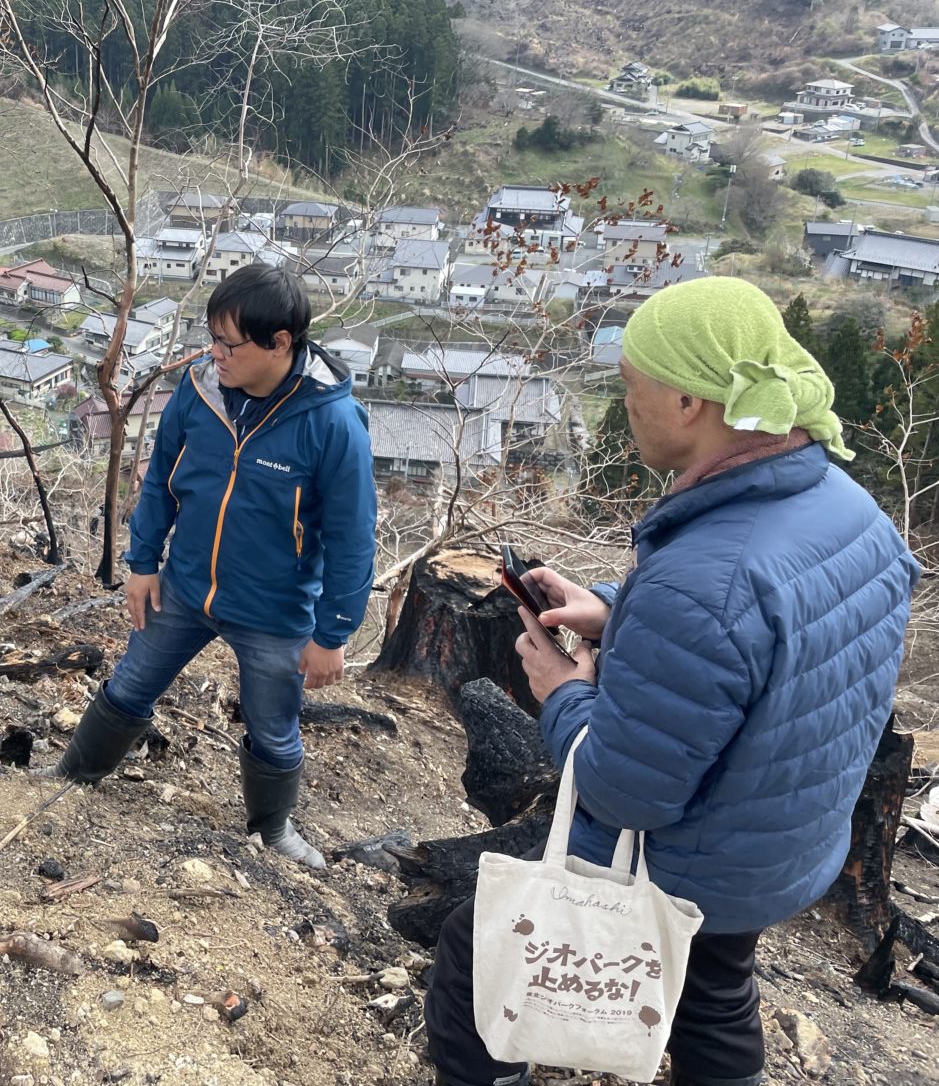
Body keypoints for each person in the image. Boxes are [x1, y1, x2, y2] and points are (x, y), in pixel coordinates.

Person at [424, 277, 920, 1086]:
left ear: (690, 402)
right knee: (713, 996)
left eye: (630, 386)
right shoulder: (846, 505)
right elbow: (765, 641)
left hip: (685, 864)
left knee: (469, 965)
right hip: (777, 846)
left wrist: (562, 692)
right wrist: (616, 612)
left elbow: (625, 791)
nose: (625, 404)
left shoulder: (702, 578)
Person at [52, 264, 376, 867]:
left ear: (280, 343)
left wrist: (331, 634)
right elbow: (160, 480)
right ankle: (75, 776)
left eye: (229, 343)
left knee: (273, 727)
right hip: (184, 587)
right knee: (129, 686)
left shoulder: (332, 424)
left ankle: (272, 830)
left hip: (275, 611)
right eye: (212, 337)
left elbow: (354, 537)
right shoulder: (199, 391)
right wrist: (143, 561)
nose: (214, 353)